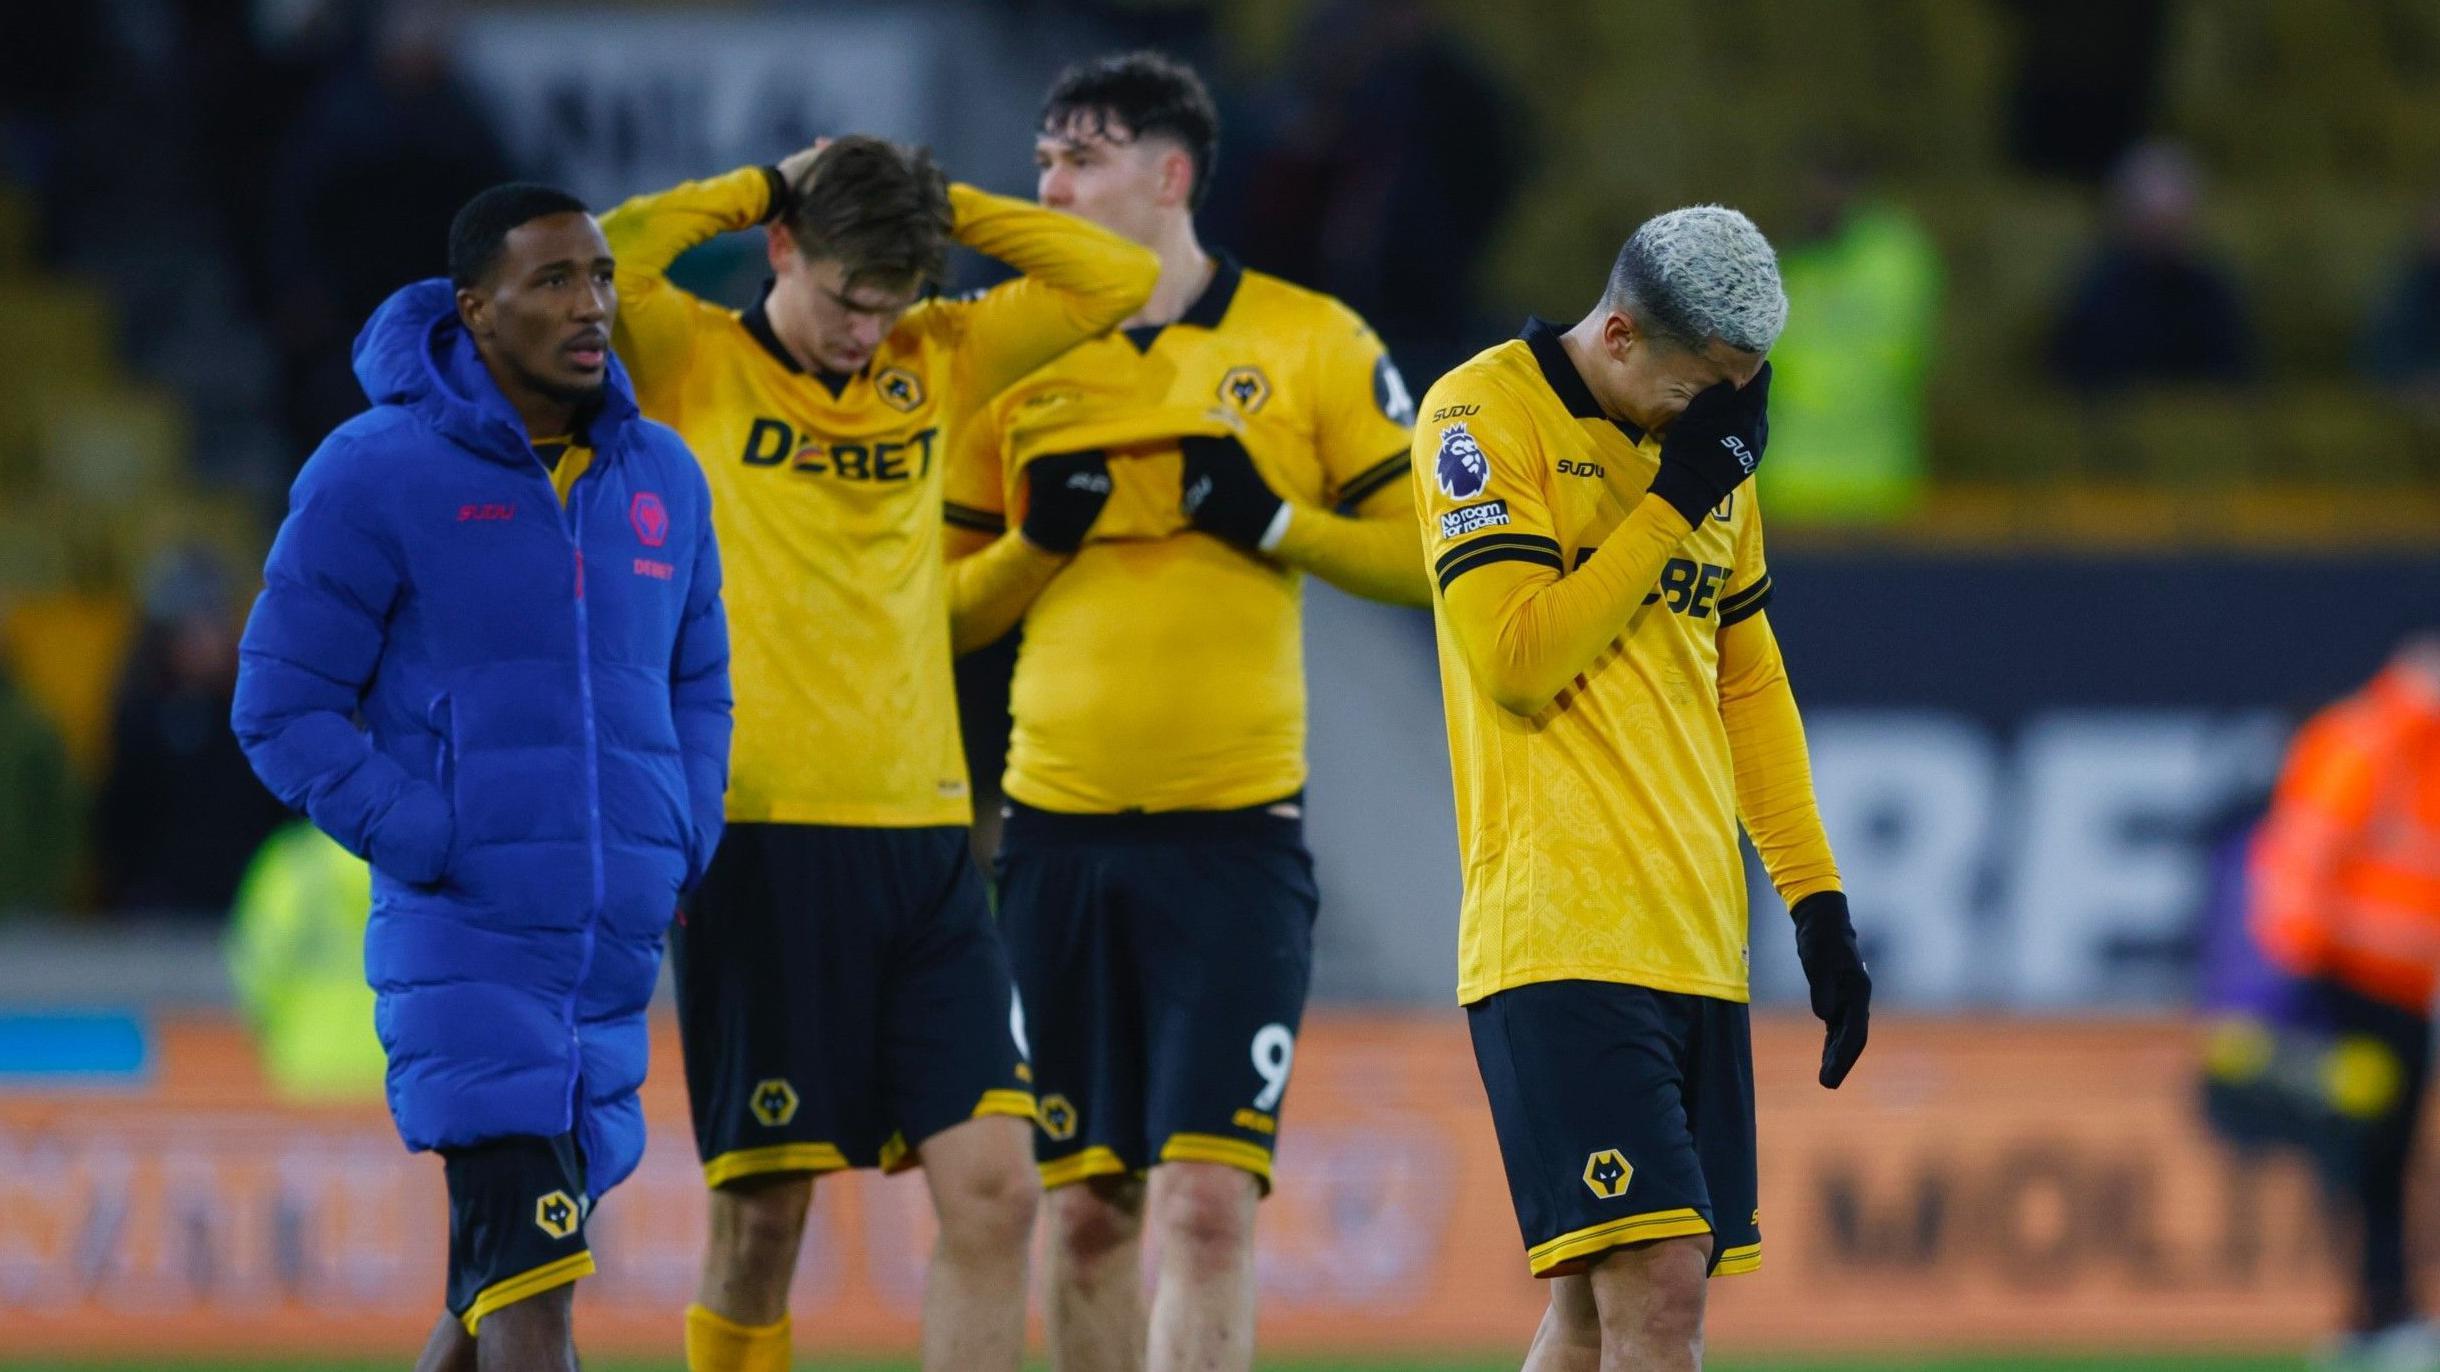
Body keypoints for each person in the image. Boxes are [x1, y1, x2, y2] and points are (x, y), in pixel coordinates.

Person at [598, 137, 1156, 1372]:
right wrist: (762, 182)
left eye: (894, 299)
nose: (868, 328)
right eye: (851, 297)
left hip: (929, 844)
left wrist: (938, 205)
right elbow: (614, 245)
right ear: (783, 251)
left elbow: (1111, 276)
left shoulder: (935, 357)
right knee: (761, 1220)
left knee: (999, 1192)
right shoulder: (693, 358)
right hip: (760, 835)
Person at [941, 52, 1427, 1372]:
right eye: (1041, 156)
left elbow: (1430, 554)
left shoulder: (1312, 339)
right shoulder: (1003, 352)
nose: (1047, 180)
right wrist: (1036, 549)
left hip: (1233, 842)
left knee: (1208, 1207)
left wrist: (1276, 521)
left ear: (1171, 175)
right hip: (1055, 841)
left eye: (1080, 156)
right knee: (1090, 1216)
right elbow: (936, 614)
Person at [232, 183, 732, 1372]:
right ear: (474, 308)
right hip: (472, 952)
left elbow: (698, 679)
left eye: (601, 277)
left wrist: (681, 829)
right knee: (535, 1307)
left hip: (607, 967)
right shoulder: (372, 471)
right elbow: (279, 704)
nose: (590, 304)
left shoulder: (662, 474)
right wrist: (432, 834)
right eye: (553, 280)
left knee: (494, 1294)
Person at [1410, 206, 1872, 1371]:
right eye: (1705, 386)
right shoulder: (1480, 414)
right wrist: (1674, 499)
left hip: (1694, 938)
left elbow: (1748, 685)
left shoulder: (1705, 456)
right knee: (1661, 1294)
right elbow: (1516, 659)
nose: (1725, 419)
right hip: (1558, 933)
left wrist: (1815, 906)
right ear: (1620, 335)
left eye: (1742, 394)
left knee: (1594, 1313)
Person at [2247, 636, 2440, 1370]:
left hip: (2406, 994)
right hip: (2348, 986)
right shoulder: (2366, 743)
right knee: (2364, 1157)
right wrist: (2298, 984)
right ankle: (2375, 1313)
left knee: (2388, 1159)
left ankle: (2384, 1312)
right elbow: (2306, 855)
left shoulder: (2417, 751)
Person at [2048, 141, 2255, 393]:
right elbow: (2080, 376)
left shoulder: (2212, 292)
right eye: (2153, 222)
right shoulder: (2098, 292)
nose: (2162, 234)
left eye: (2172, 223)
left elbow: (2236, 377)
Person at [224, 818, 384, 1101]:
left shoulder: (295, 864)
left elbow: (258, 966)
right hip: (396, 1071)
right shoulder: (426, 865)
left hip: (305, 1066)